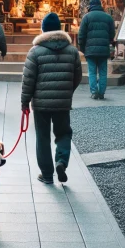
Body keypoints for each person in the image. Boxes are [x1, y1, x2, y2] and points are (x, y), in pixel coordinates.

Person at [21, 12, 82, 184]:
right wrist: (67, 91)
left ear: (43, 30)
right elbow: (77, 76)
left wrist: (25, 102)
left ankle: (47, 175)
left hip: (40, 104)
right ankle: (61, 161)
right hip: (63, 102)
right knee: (63, 133)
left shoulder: (35, 52)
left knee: (42, 137)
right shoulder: (72, 51)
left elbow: (28, 80)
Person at [78, 0, 116, 100]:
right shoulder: (108, 17)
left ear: (90, 6)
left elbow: (81, 35)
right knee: (103, 72)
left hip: (90, 50)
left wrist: (82, 48)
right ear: (100, 5)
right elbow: (112, 34)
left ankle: (94, 92)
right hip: (104, 50)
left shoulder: (86, 17)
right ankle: (102, 92)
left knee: (92, 72)